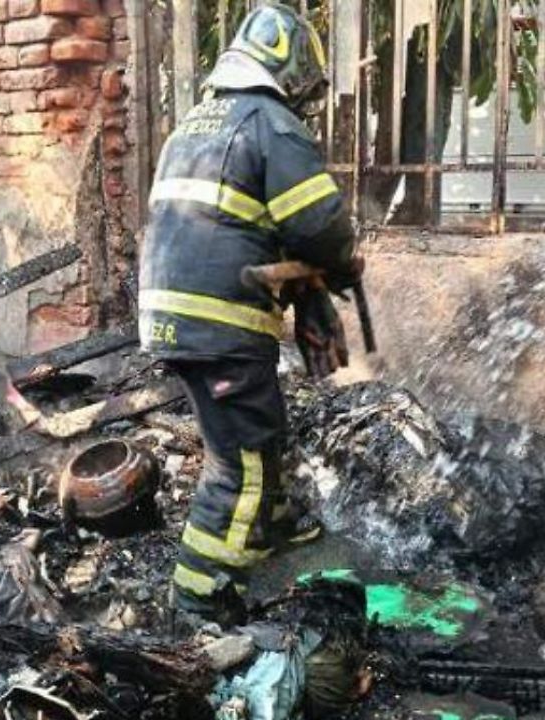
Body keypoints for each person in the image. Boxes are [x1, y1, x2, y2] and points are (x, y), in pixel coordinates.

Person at [137, 1, 362, 625]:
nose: (302, 97)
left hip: (175, 316)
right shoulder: (272, 124)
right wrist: (343, 265)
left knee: (256, 431)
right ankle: (199, 597)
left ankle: (271, 526)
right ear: (286, 67)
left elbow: (241, 226)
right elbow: (318, 227)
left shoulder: (195, 125)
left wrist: (308, 292)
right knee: (241, 467)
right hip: (221, 324)